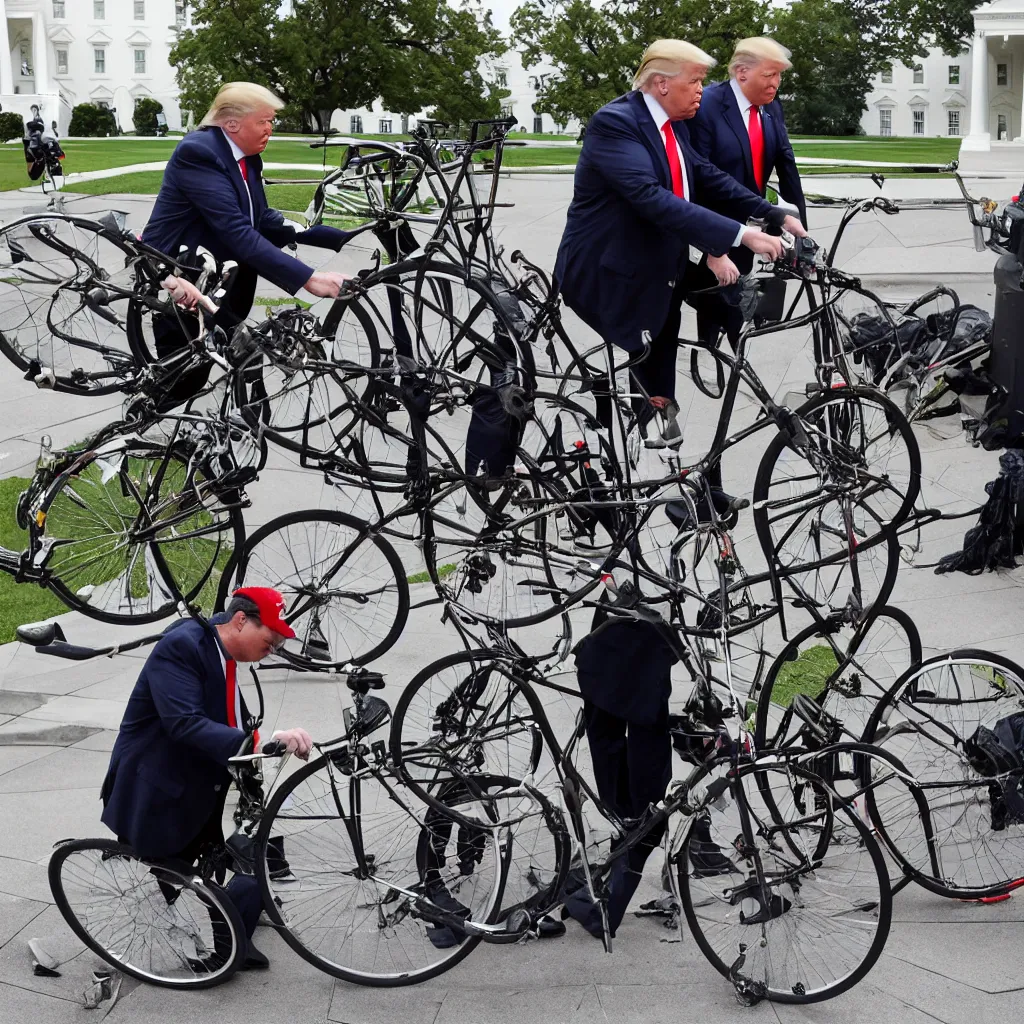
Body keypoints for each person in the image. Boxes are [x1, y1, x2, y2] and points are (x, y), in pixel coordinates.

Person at [554, 39, 806, 447]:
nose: (702, 91)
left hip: (661, 254)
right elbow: (652, 198)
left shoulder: (671, 124)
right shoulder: (615, 123)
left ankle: (671, 421)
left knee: (733, 307)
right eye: (695, 82)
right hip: (613, 266)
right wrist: (740, 235)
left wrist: (772, 213)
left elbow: (704, 174)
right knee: (655, 340)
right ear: (661, 84)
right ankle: (638, 421)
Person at [100, 588, 314, 970]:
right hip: (159, 784)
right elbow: (184, 722)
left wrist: (254, 752)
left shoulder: (223, 651)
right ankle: (217, 946)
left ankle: (230, 943)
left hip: (204, 776)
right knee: (170, 868)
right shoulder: (181, 646)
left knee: (253, 855)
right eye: (271, 641)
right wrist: (261, 743)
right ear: (240, 620)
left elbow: (230, 720)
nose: (274, 649)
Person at [142, 81, 353, 364]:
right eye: (264, 121)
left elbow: (261, 217)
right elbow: (236, 230)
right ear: (231, 124)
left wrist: (334, 236)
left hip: (226, 276)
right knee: (184, 378)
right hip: (184, 278)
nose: (270, 129)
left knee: (242, 366)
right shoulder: (199, 153)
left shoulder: (248, 158)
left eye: (271, 121)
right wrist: (310, 279)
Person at [687, 37, 808, 351]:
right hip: (712, 228)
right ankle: (707, 351)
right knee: (716, 303)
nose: (776, 83)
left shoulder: (771, 106)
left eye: (779, 75)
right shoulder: (707, 104)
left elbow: (787, 165)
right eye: (769, 75)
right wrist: (713, 246)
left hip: (751, 228)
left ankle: (724, 347)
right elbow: (699, 177)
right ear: (741, 73)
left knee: (738, 307)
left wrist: (800, 234)